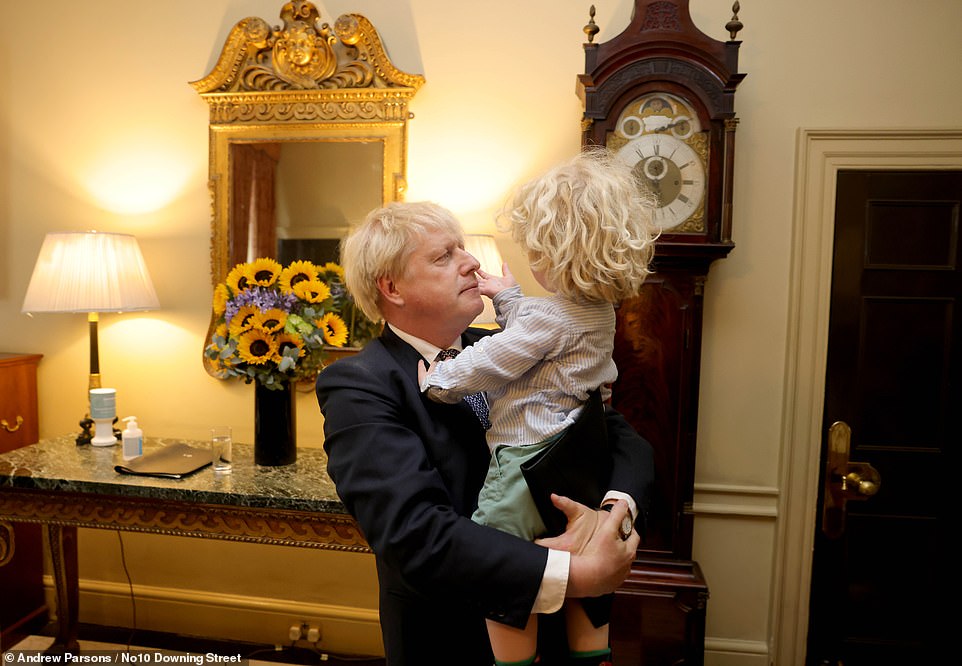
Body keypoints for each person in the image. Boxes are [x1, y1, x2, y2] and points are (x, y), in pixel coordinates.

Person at [315, 196, 654, 666]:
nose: (472, 261)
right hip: (454, 641)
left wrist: (612, 517)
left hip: (562, 639)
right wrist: (577, 573)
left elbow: (624, 440)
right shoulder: (360, 384)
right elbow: (416, 533)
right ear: (392, 287)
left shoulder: (514, 344)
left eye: (463, 249)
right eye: (444, 255)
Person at [416, 149, 657, 666]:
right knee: (581, 561)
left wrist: (439, 381)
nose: (533, 261)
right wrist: (509, 298)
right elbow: (541, 325)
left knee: (499, 561)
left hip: (527, 456)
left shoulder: (547, 322)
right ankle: (591, 654)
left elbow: (495, 359)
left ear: (561, 253)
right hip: (578, 454)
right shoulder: (597, 310)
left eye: (539, 252)